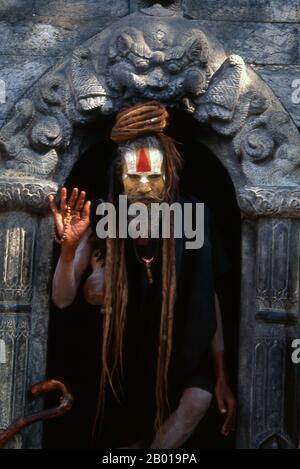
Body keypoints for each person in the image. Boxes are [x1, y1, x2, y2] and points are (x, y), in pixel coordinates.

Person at [48, 102, 236, 449]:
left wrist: (222, 374)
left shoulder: (194, 217)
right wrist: (71, 251)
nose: (146, 186)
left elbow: (207, 295)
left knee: (198, 397)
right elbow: (62, 298)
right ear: (120, 179)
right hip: (121, 364)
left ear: (169, 177)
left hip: (178, 358)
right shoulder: (102, 219)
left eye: (154, 176)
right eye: (135, 176)